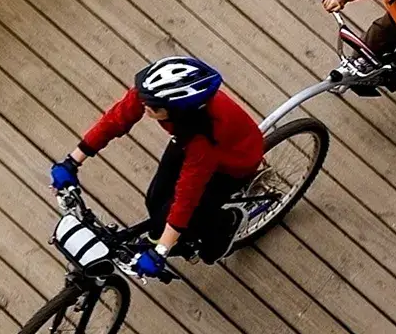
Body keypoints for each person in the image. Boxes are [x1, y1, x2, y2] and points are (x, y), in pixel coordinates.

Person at [49, 56, 264, 278]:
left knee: (187, 218)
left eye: (153, 107)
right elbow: (115, 120)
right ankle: (166, 235)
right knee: (155, 199)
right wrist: (72, 161)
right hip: (187, 142)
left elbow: (186, 197)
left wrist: (160, 252)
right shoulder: (154, 96)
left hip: (233, 163)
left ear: (177, 112)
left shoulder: (201, 141)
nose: (144, 105)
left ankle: (228, 222)